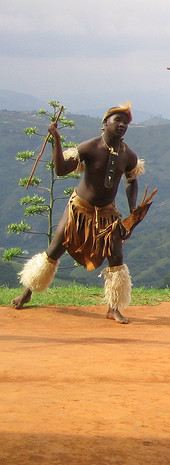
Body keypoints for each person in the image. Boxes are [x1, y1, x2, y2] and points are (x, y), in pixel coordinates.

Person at [11, 103, 143, 324]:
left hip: (107, 214)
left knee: (116, 257)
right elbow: (61, 170)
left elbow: (132, 181)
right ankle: (28, 291)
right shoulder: (90, 147)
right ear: (105, 123)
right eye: (117, 120)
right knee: (55, 249)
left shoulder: (128, 155)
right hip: (79, 209)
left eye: (125, 122)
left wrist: (133, 210)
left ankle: (114, 308)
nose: (121, 125)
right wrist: (57, 139)